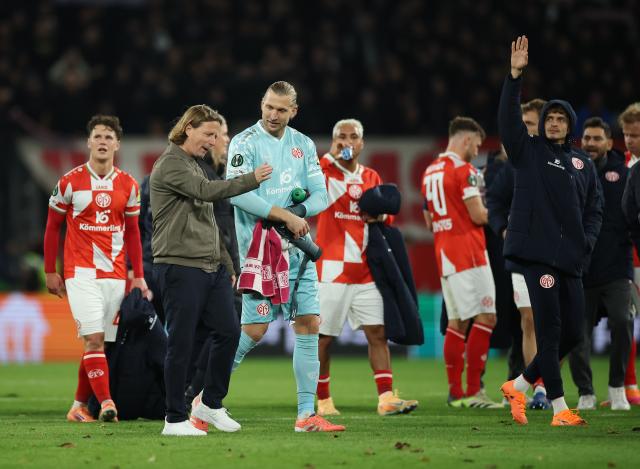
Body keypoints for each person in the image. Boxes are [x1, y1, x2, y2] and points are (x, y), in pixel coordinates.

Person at [226, 81, 344, 432]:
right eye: (268, 107)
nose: (273, 115)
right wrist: (285, 216)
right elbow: (237, 195)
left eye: (281, 109)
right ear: (261, 105)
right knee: (255, 330)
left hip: (298, 255)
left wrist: (300, 210)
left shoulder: (302, 144)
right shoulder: (243, 143)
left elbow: (322, 194)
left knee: (309, 323)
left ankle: (306, 415)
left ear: (294, 110)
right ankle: (202, 397)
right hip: (259, 253)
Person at [498, 36, 603, 426]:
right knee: (551, 329)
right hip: (536, 256)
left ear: (569, 125)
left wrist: (587, 243)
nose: (555, 122)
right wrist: (514, 77)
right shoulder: (529, 152)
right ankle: (560, 409)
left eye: (561, 118)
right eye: (550, 118)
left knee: (574, 333)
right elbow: (508, 120)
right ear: (543, 124)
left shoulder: (582, 164)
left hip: (571, 258)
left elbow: (595, 210)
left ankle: (520, 386)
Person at [150, 104, 272, 437]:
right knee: (182, 342)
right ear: (188, 128)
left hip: (211, 266)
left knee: (229, 332)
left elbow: (209, 221)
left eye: (216, 136)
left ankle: (210, 403)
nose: (213, 142)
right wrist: (251, 179)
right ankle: (174, 419)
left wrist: (228, 264)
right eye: (208, 134)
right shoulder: (171, 164)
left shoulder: (196, 165)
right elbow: (208, 194)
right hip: (179, 264)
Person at [44, 114, 148, 423]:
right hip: (81, 273)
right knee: (93, 339)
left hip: (115, 275)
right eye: (98, 136)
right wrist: (51, 270)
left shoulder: (129, 185)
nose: (103, 142)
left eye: (108, 137)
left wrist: (138, 275)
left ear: (117, 144)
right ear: (89, 142)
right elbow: (52, 228)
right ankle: (105, 403)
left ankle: (78, 406)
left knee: (99, 342)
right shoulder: (69, 181)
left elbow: (132, 233)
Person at [314, 118, 418, 417]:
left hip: (365, 269)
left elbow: (389, 214)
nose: (347, 142)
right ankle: (323, 400)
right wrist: (330, 156)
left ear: (362, 143)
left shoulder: (371, 176)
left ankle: (386, 398)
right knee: (324, 338)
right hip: (332, 268)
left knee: (378, 332)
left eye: (353, 137)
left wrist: (382, 219)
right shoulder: (324, 172)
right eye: (341, 137)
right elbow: (309, 187)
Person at [422, 116, 500, 409]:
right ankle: (473, 393)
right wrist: (505, 215)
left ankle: (456, 392)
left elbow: (428, 220)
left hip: (445, 253)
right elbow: (479, 216)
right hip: (468, 253)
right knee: (486, 317)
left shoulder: (429, 171)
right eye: (477, 145)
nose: (478, 151)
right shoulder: (464, 170)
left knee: (457, 322)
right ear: (466, 140)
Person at [487, 98, 552, 410]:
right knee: (529, 320)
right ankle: (539, 389)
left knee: (554, 324)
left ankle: (535, 382)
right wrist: (502, 229)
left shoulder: (564, 159)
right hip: (524, 254)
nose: (525, 129)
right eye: (523, 123)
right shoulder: (514, 164)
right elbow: (495, 202)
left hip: (557, 255)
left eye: (530, 124)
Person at [568, 117, 633, 411]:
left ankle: (617, 387)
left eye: (597, 139)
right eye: (587, 138)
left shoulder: (626, 173)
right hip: (580, 270)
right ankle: (586, 392)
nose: (591, 144)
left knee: (623, 320)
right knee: (576, 334)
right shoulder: (572, 170)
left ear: (609, 142)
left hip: (616, 267)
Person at [619, 102, 640, 406]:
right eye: (627, 134)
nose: (631, 140)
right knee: (627, 320)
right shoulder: (620, 166)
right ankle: (629, 385)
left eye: (636, 134)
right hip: (629, 257)